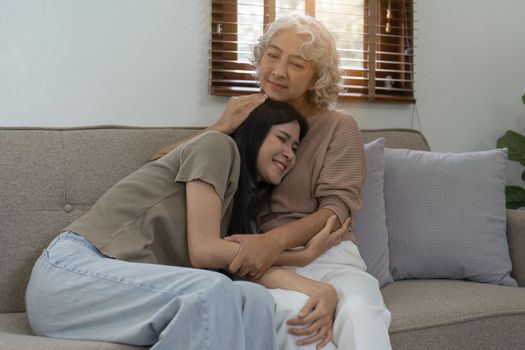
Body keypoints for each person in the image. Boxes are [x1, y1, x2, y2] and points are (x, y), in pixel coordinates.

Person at [153, 14, 392, 350]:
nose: (279, 71)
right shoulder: (245, 121)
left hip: (331, 256)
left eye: (297, 64)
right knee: (298, 320)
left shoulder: (338, 125)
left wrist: (275, 241)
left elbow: (337, 208)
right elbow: (160, 163)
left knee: (361, 310)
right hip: (267, 266)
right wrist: (221, 126)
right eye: (273, 55)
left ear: (316, 77)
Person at [25, 99, 322, 350]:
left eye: (295, 148)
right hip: (71, 275)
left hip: (121, 292)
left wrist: (321, 291)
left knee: (255, 300)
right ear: (255, 132)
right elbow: (205, 251)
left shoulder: (235, 210)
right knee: (212, 291)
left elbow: (250, 264)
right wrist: (292, 254)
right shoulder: (218, 147)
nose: (289, 154)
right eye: (282, 139)